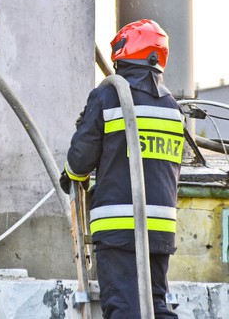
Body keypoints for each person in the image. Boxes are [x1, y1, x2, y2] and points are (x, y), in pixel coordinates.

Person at [60, 19, 181, 318]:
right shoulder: (172, 108)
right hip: (160, 231)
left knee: (124, 309)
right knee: (155, 305)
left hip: (120, 227)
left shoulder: (108, 96)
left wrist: (71, 176)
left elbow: (80, 158)